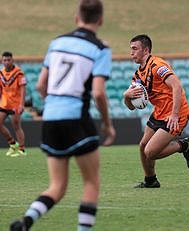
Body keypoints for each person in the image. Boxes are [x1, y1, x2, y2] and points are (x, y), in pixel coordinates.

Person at [9, 0, 116, 230]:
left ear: (76, 17)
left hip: (51, 117)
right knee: (91, 182)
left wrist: (55, 105)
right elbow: (98, 93)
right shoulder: (100, 48)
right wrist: (108, 125)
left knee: (57, 186)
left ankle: (26, 221)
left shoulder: (57, 43)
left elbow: (40, 85)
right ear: (101, 20)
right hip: (76, 118)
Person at [123, 34, 189, 188]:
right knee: (143, 146)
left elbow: (177, 86)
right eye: (131, 49)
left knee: (150, 152)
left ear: (146, 50)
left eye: (135, 49)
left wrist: (175, 115)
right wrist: (127, 97)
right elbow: (131, 107)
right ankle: (151, 180)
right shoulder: (137, 76)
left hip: (176, 113)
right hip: (159, 112)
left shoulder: (158, 65)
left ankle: (184, 146)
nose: (131, 53)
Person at [0, 51, 27, 157]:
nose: (7, 62)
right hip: (4, 103)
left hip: (15, 104)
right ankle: (12, 143)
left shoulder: (19, 73)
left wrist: (22, 104)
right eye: (4, 60)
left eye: (8, 60)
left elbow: (23, 89)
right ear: (2, 61)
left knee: (16, 126)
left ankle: (22, 149)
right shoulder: (0, 73)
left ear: (12, 60)